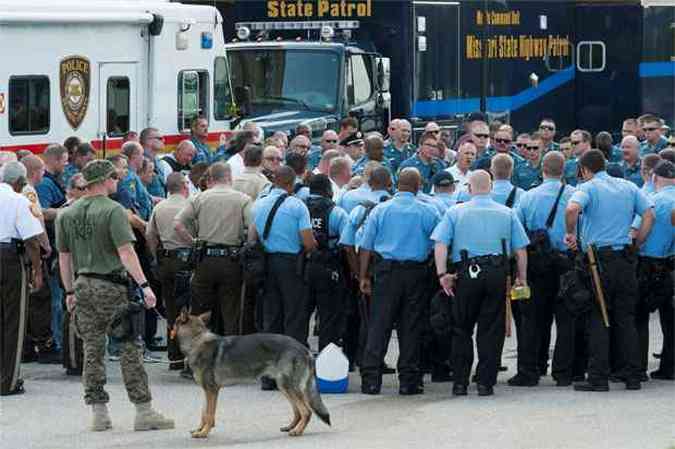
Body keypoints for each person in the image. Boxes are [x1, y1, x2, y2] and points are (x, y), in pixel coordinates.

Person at [56, 160, 174, 431]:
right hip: (111, 285)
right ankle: (143, 410)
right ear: (106, 180)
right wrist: (144, 285)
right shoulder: (113, 211)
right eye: (115, 178)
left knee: (92, 349)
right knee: (129, 346)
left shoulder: (68, 213)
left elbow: (65, 257)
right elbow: (126, 252)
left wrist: (70, 290)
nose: (117, 182)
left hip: (83, 284)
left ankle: (99, 413)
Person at [432, 170, 529, 397]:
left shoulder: (456, 212)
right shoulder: (507, 213)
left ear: (469, 188)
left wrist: (442, 274)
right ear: (491, 187)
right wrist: (521, 278)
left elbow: (440, 244)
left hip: (466, 273)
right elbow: (521, 250)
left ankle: (460, 382)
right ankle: (485, 382)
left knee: (461, 329)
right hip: (497, 273)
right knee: (491, 329)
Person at [564, 149, 655, 392]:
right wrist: (638, 243)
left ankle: (598, 377)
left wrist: (570, 233)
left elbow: (571, 209)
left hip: (598, 261)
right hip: (625, 258)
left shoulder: (589, 187)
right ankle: (633, 375)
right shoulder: (627, 186)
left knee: (598, 316)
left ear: (584, 169)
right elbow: (649, 214)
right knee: (625, 318)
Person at [358, 168, 440, 395]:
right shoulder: (428, 211)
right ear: (418, 186)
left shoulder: (380, 210)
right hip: (416, 273)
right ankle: (409, 380)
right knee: (411, 326)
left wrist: (363, 276)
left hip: (386, 273)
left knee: (379, 324)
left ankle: (371, 380)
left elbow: (366, 247)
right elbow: (439, 243)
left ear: (396, 185)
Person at [250, 166, 317, 390]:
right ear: (292, 183)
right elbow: (307, 241)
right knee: (295, 318)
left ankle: (268, 376)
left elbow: (253, 237)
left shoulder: (259, 204)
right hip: (291, 265)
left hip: (266, 264)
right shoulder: (297, 205)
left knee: (271, 318)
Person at [512, 151, 576, 386]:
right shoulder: (573, 195)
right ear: (564, 171)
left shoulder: (528, 197)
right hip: (566, 262)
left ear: (542, 169)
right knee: (566, 319)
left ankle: (530, 371)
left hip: (536, 263)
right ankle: (563, 372)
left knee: (532, 319)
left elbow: (516, 231)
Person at [174, 162, 252, 336]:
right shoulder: (242, 199)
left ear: (210, 178)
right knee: (231, 312)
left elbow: (178, 224)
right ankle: (230, 358)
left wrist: (193, 242)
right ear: (229, 177)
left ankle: (199, 355)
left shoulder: (199, 198)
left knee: (201, 313)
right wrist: (247, 246)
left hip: (205, 260)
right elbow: (252, 228)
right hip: (231, 261)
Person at [0, 161, 43, 396]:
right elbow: (32, 240)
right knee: (13, 321)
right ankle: (8, 381)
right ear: (19, 183)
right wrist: (37, 271)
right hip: (8, 259)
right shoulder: (19, 201)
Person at [633, 160, 675, 381]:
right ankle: (670, 367)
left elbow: (637, 231)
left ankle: (638, 368)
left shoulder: (651, 201)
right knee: (671, 320)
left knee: (639, 317)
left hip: (648, 263)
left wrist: (636, 246)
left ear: (654, 178)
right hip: (672, 265)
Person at [146, 173, 192, 371]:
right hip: (187, 260)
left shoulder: (159, 206)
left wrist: (156, 256)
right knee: (190, 309)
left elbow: (150, 234)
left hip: (166, 259)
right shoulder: (191, 205)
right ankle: (190, 355)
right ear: (184, 186)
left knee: (171, 308)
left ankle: (174, 356)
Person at [20, 155, 60, 364]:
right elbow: (37, 221)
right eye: (42, 170)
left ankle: (25, 345)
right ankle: (45, 344)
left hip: (16, 250)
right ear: (35, 172)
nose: (44, 174)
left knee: (23, 301)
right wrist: (46, 245)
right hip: (31, 250)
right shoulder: (29, 190)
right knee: (40, 297)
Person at [303, 174, 349, 351]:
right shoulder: (336, 212)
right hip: (329, 268)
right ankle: (325, 360)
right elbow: (347, 243)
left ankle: (300, 357)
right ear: (329, 191)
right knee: (329, 317)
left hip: (302, 267)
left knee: (300, 316)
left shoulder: (300, 208)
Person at [139, 128, 167, 198]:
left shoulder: (158, 160)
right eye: (160, 138)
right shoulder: (140, 162)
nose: (164, 140)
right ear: (148, 141)